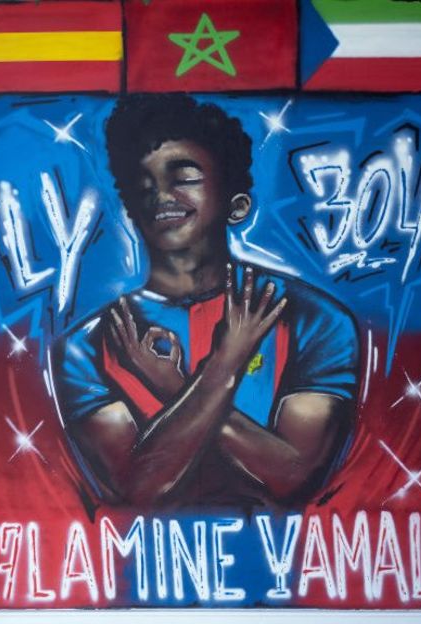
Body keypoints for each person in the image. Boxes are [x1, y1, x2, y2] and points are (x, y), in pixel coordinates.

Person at [54, 94, 359, 509]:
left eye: (183, 177)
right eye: (142, 185)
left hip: (282, 567)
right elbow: (137, 487)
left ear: (237, 205)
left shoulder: (314, 318)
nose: (160, 195)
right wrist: (222, 367)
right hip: (140, 568)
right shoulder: (87, 346)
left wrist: (177, 386)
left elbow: (291, 476)